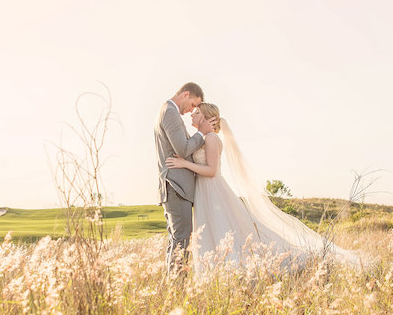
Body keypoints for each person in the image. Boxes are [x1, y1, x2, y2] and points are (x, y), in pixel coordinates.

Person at [166, 102, 362, 273]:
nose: (192, 114)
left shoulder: (211, 139)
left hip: (213, 189)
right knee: (212, 230)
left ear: (207, 118)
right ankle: (214, 271)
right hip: (205, 191)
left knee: (222, 227)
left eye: (197, 113)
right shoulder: (202, 138)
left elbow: (211, 170)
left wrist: (185, 164)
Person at [154, 82, 215, 272]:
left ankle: (173, 288)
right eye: (193, 105)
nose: (191, 110)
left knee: (177, 241)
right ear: (184, 94)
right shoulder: (170, 111)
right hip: (176, 187)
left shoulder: (168, 111)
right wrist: (201, 134)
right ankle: (176, 289)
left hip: (177, 188)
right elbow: (182, 148)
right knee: (181, 242)